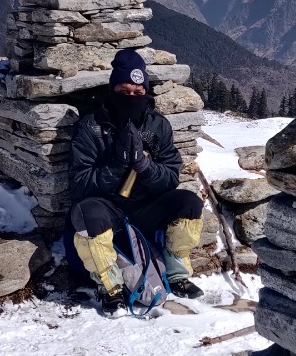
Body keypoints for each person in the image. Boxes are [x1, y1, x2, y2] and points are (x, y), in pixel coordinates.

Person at [68, 49, 205, 316]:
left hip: (145, 207)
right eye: (124, 91)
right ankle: (110, 287)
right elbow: (79, 184)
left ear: (146, 92)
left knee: (189, 203)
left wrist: (147, 167)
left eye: (138, 92)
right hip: (108, 208)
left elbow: (170, 177)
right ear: (112, 89)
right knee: (88, 213)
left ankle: (177, 274)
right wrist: (116, 166)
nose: (131, 97)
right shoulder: (91, 127)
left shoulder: (157, 125)